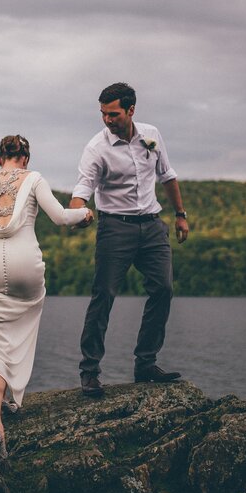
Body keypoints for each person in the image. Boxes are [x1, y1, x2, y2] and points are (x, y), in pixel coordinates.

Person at [0, 135, 93, 459]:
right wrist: (85, 215)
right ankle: (14, 395)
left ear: (0, 158)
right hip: (27, 267)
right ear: (25, 158)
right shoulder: (34, 179)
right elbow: (59, 217)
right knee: (22, 323)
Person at [70, 82, 189, 397]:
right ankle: (90, 373)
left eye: (113, 113)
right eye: (103, 114)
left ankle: (146, 364)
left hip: (151, 226)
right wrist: (77, 214)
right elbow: (82, 190)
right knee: (104, 295)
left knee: (163, 289)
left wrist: (180, 215)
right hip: (115, 229)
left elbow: (168, 175)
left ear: (131, 110)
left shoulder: (151, 135)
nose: (107, 120)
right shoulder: (97, 148)